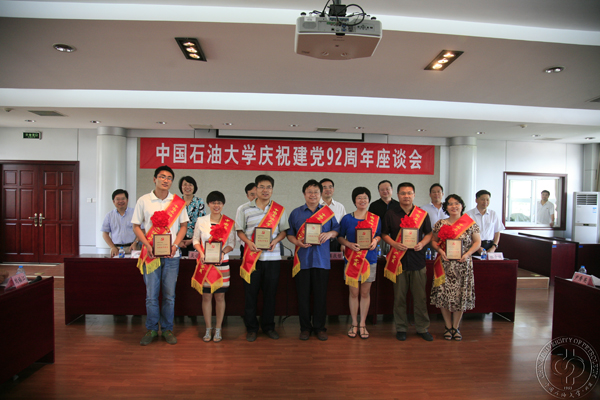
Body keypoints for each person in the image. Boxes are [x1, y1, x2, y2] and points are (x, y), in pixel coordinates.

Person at [132, 165, 189, 346]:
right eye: (162, 176)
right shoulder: (144, 200)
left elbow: (184, 226)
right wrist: (147, 244)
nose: (166, 180)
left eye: (169, 178)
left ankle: (167, 329)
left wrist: (175, 245)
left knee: (169, 295)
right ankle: (151, 329)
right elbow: (136, 226)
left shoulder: (178, 202)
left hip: (172, 255)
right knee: (151, 295)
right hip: (151, 255)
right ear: (155, 179)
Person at [236, 175, 289, 342]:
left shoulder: (279, 209)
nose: (265, 190)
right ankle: (251, 328)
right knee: (250, 295)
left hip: (273, 259)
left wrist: (275, 241)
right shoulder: (244, 209)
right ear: (256, 188)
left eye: (268, 187)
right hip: (252, 259)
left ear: (272, 189)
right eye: (262, 187)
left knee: (270, 295)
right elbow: (239, 230)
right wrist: (248, 243)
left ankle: (268, 327)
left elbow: (284, 231)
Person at [287, 179, 340, 341]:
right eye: (309, 192)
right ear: (304, 194)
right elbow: (289, 234)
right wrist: (297, 242)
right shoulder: (296, 213)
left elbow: (337, 230)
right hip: (302, 261)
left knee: (320, 297)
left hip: (321, 261)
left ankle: (320, 328)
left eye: (316, 192)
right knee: (302, 297)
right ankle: (305, 328)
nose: (313, 195)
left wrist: (329, 234)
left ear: (320, 194)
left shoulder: (328, 213)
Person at [381, 182, 433, 342]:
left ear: (414, 195)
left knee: (420, 298)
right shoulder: (391, 214)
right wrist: (394, 244)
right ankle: (401, 328)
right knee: (399, 298)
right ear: (398, 195)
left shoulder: (422, 214)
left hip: (418, 261)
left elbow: (429, 234)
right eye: (403, 193)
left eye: (409, 193)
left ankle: (422, 328)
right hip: (398, 262)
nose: (406, 196)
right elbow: (384, 234)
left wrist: (422, 243)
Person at [430, 194, 481, 341]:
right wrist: (440, 251)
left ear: (461, 206)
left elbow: (477, 242)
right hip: (444, 264)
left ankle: (456, 327)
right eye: (450, 204)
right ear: (446, 207)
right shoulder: (440, 223)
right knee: (444, 295)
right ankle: (447, 326)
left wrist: (468, 254)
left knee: (460, 296)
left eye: (457, 203)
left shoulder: (470, 223)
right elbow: (434, 241)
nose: (454, 206)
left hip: (462, 264)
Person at [337, 187, 381, 339]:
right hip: (352, 260)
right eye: (359, 198)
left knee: (365, 293)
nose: (362, 200)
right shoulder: (347, 218)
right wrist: (348, 244)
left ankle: (362, 324)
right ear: (354, 201)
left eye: (365, 198)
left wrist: (375, 240)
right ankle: (354, 323)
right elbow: (340, 237)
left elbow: (379, 235)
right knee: (354, 293)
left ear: (369, 200)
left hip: (370, 260)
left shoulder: (375, 218)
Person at [192, 191, 236, 343]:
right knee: (206, 296)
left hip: (222, 263)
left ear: (223, 204)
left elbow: (231, 244)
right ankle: (208, 328)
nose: (216, 205)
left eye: (219, 203)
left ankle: (218, 329)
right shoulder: (201, 220)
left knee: (220, 296)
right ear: (208, 204)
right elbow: (195, 240)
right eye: (213, 202)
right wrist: (201, 253)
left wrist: (222, 253)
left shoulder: (229, 222)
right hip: (205, 263)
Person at [101, 189, 140, 257]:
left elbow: (142, 230)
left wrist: (135, 243)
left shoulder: (135, 213)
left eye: (123, 199)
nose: (120, 201)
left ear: (127, 200)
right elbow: (105, 234)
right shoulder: (109, 215)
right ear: (113, 201)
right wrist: (112, 247)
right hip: (116, 249)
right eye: (118, 199)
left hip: (133, 247)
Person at [466, 190, 504, 254]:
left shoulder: (493, 214)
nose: (485, 202)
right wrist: (477, 248)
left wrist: (494, 247)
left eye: (487, 200)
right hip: (473, 247)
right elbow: (466, 234)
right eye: (483, 199)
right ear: (476, 200)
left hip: (490, 247)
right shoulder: (468, 215)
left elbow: (497, 231)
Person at [177, 176, 206, 257]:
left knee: (192, 262)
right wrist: (177, 240)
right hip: (178, 239)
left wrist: (192, 240)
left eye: (190, 185)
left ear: (194, 187)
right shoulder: (176, 202)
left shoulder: (199, 202)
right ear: (181, 187)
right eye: (185, 184)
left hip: (195, 239)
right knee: (179, 262)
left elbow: (202, 222)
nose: (187, 187)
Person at [369, 180, 399, 255]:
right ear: (379, 191)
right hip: (379, 237)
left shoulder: (399, 205)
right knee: (379, 257)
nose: (385, 191)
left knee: (393, 257)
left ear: (392, 189)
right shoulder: (374, 205)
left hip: (395, 237)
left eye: (387, 189)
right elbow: (370, 222)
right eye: (382, 190)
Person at [319, 178, 346, 252]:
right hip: (319, 242)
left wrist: (343, 244)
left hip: (336, 242)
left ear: (333, 189)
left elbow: (344, 226)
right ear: (320, 190)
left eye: (330, 187)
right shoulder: (316, 206)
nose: (328, 189)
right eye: (324, 187)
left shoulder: (340, 206)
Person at [236, 183, 258, 254]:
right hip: (247, 247)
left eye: (257, 194)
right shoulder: (242, 209)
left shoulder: (269, 208)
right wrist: (248, 243)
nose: (255, 197)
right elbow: (238, 230)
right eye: (252, 195)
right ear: (247, 196)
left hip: (267, 249)